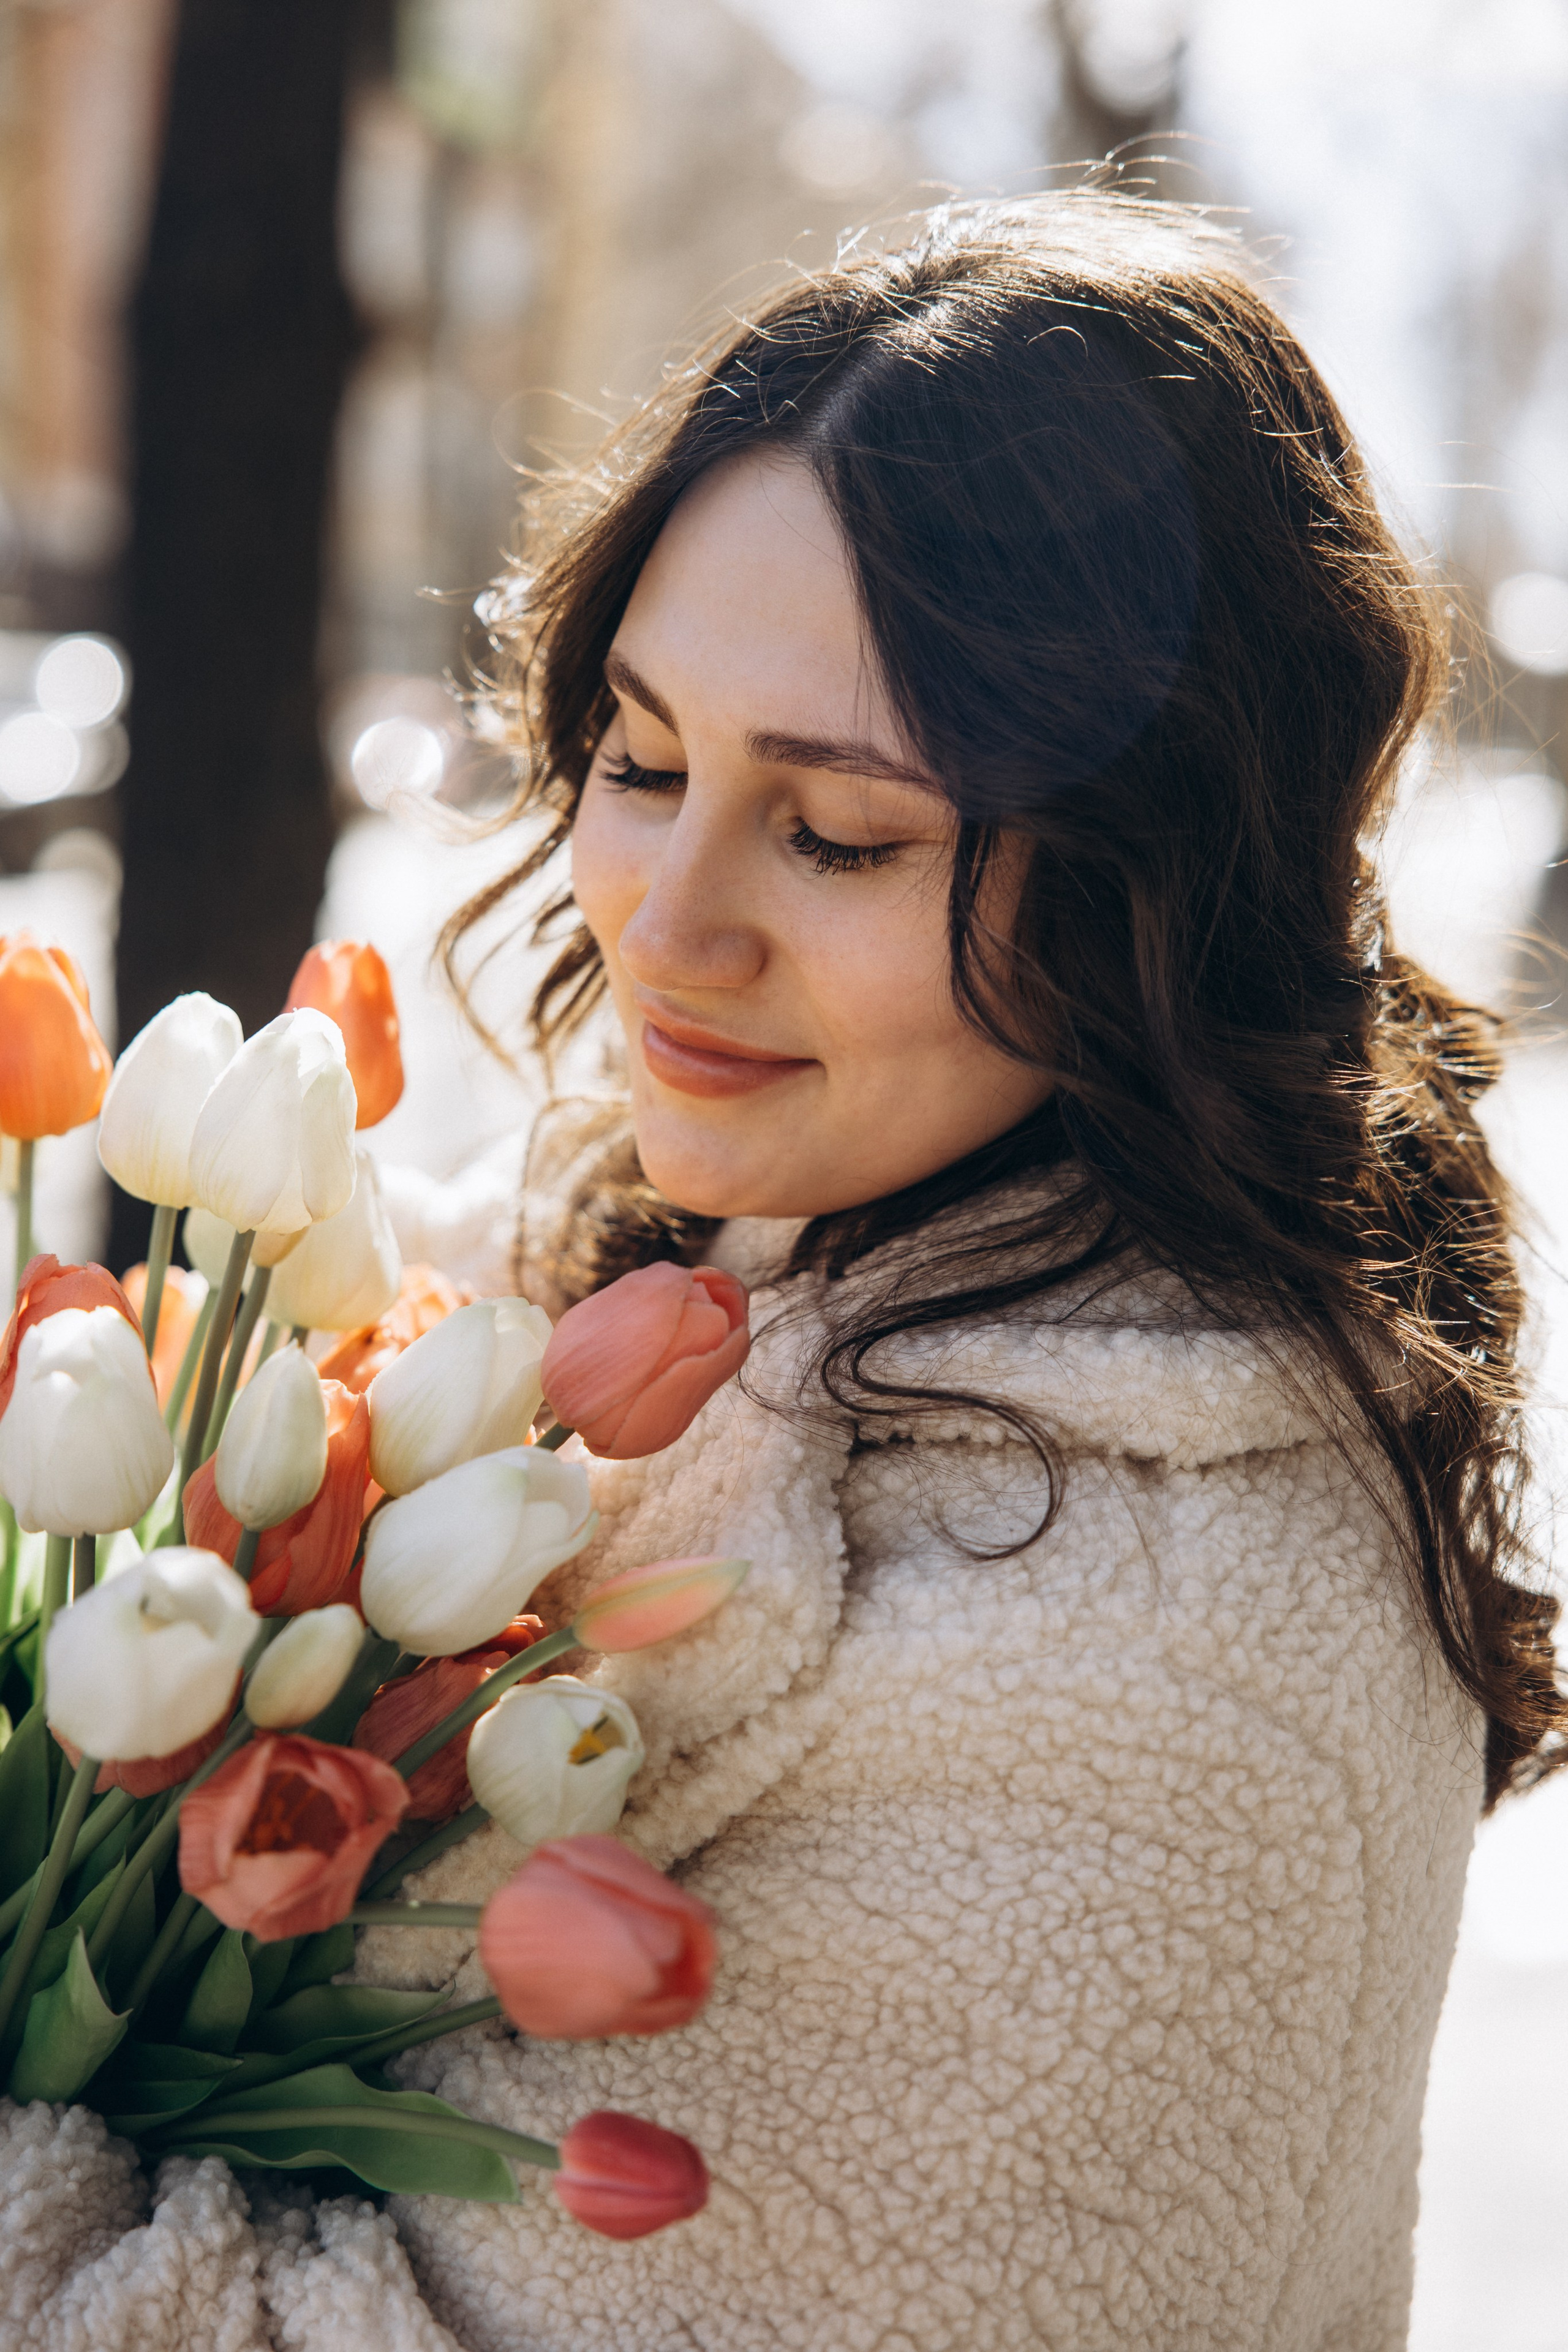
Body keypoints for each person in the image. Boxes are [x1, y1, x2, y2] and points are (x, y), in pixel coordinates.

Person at [3, 190, 1554, 2351]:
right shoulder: (682, 1262)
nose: (665, 922)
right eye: (642, 762)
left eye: (840, 834)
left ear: (1152, 894)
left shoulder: (1155, 1690)